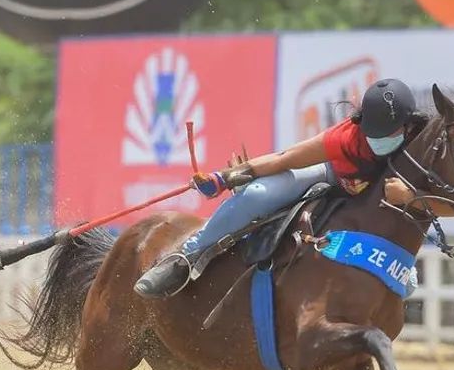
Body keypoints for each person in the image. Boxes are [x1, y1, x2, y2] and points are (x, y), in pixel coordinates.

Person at [134, 78, 423, 299]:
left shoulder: (421, 146)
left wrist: (411, 196)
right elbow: (284, 158)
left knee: (407, 285)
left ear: (408, 126)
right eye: (371, 133)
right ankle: (187, 257)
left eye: (387, 134)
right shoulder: (345, 137)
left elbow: (451, 200)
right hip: (333, 174)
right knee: (257, 195)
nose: (375, 141)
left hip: (378, 210)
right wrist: (224, 178)